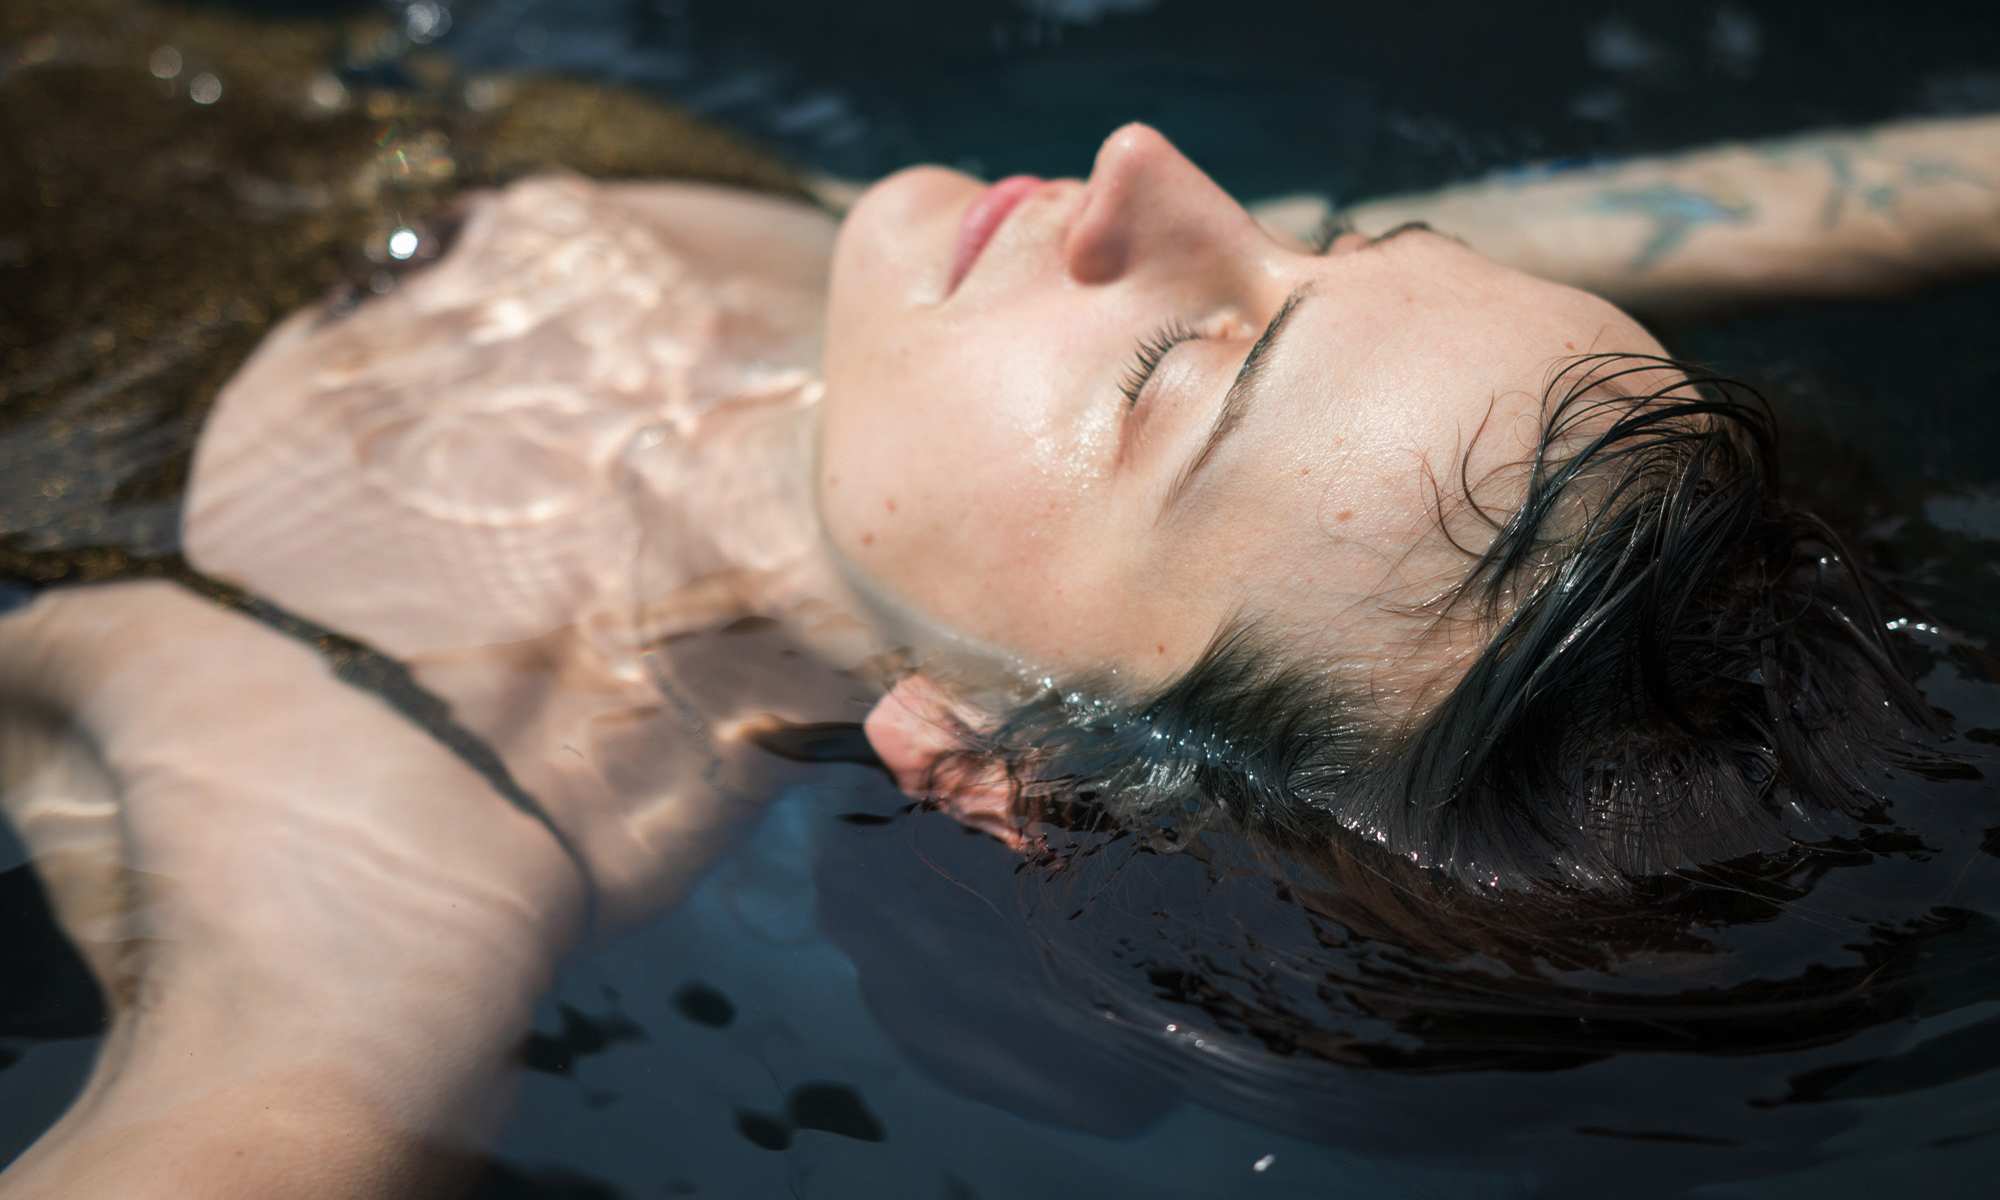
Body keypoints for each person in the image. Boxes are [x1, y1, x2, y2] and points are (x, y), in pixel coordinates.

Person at [3, 113, 1999, 1196]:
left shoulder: (384, 809)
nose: (1154, 177)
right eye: (1353, 258)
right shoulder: (963, 347)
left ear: (988, 764)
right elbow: (1820, 202)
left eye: (1160, 381)